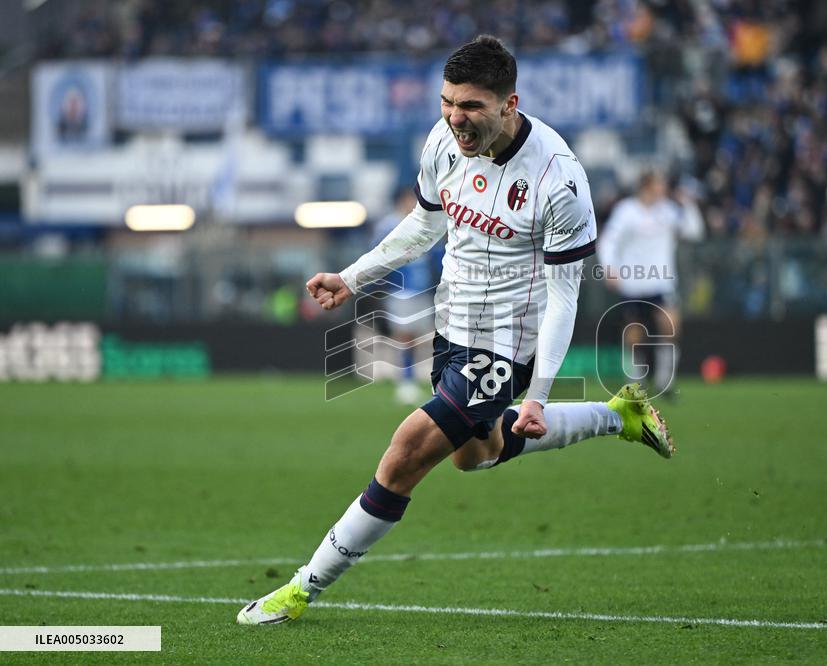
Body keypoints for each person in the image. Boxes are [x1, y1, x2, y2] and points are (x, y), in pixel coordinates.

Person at [237, 35, 675, 626]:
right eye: (447, 102)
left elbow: (566, 295)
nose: (455, 119)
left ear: (508, 104)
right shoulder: (444, 141)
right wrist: (352, 277)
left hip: (505, 342)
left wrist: (539, 395)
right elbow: (423, 225)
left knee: (404, 455)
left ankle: (299, 589)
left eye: (470, 106)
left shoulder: (559, 180)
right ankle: (617, 416)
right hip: (453, 323)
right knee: (478, 454)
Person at [597, 170, 704, 395]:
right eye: (658, 185)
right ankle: (636, 381)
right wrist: (609, 268)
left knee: (671, 326)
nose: (663, 190)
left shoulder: (669, 211)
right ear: (646, 187)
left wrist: (688, 204)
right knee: (635, 332)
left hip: (661, 281)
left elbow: (694, 232)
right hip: (632, 282)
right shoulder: (626, 211)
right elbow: (608, 241)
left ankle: (666, 381)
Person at [370, 187, 442, 405]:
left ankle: (419, 381)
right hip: (400, 291)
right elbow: (377, 255)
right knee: (405, 336)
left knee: (421, 338)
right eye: (409, 198)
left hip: (423, 290)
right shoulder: (389, 225)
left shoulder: (426, 222)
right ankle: (406, 382)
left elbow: (436, 255)